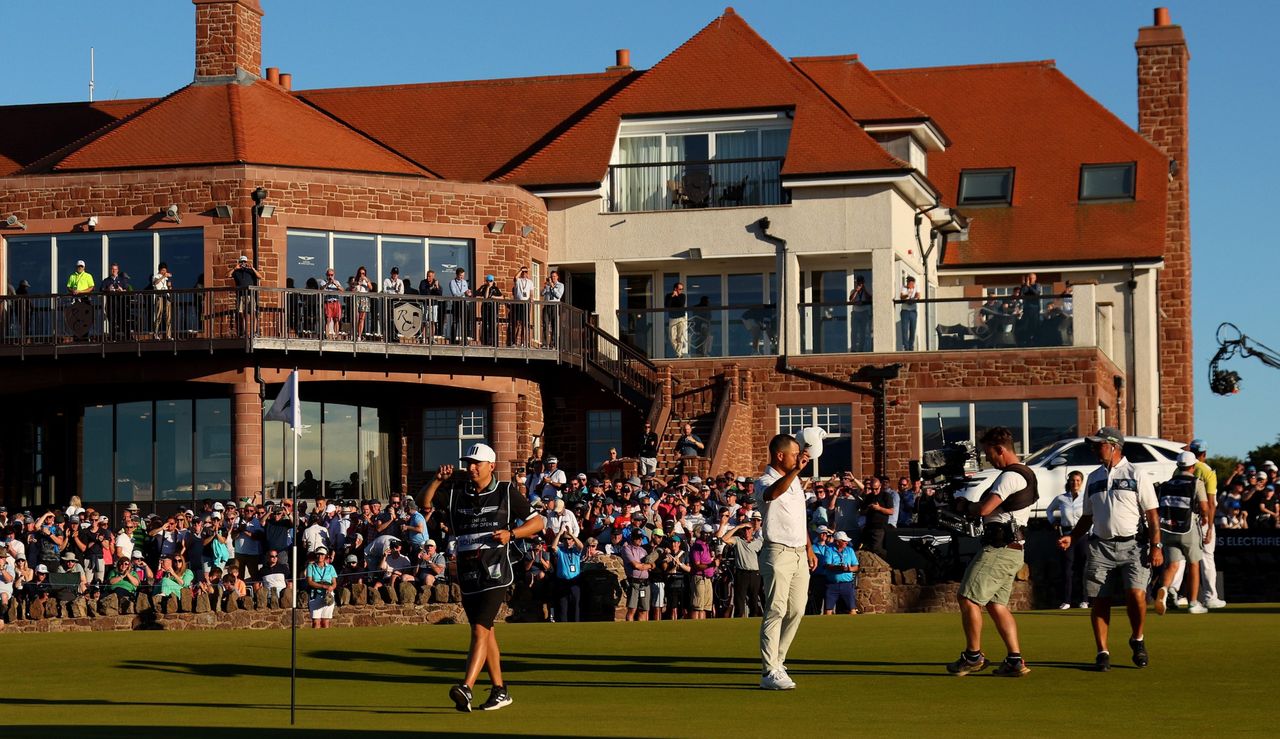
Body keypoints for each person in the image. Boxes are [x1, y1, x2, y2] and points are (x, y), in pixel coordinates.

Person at [418, 442, 543, 713]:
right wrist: (437, 480)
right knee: (486, 632)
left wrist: (512, 534)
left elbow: (538, 522)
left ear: (491, 466)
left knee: (479, 629)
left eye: (477, 463)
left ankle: (467, 687)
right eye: (468, 463)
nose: (471, 467)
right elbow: (423, 502)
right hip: (468, 571)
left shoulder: (507, 492)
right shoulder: (456, 493)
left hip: (496, 572)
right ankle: (500, 690)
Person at [1057, 427, 1162, 672]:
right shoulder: (1092, 477)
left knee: (1136, 596)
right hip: (1100, 546)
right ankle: (1102, 652)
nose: (1094, 449)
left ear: (1114, 445)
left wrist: (1156, 546)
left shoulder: (1137, 473)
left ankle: (1137, 639)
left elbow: (1152, 514)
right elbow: (1087, 516)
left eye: (1098, 445)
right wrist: (1072, 537)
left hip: (1134, 545)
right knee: (1099, 600)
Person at [946, 426, 1036, 677]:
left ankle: (973, 656)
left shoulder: (1011, 476)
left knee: (968, 598)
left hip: (1000, 548)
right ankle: (1015, 660)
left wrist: (965, 505)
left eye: (990, 454)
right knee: (997, 605)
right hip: (1014, 548)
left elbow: (986, 509)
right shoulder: (1025, 473)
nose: (989, 459)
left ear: (1001, 450)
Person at [754, 433, 816, 690]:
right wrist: (795, 474)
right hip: (777, 553)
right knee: (776, 610)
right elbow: (772, 493)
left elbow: (798, 519)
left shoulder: (795, 481)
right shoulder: (764, 480)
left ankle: (778, 662)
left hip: (800, 552)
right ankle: (770, 671)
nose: (798, 458)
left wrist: (809, 549)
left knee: (797, 610)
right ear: (780, 456)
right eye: (794, 454)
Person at [1168, 439, 1225, 609]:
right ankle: (1209, 597)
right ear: (1204, 454)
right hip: (1202, 518)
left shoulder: (1178, 470)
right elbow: (1211, 502)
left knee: (1180, 557)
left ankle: (1173, 590)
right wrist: (1210, 527)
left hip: (1183, 520)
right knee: (1206, 557)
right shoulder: (1208, 471)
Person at [1152, 452, 1211, 616]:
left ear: (1178, 466)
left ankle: (1163, 589)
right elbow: (1205, 507)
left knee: (1172, 565)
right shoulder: (1196, 482)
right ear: (1193, 466)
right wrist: (1205, 518)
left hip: (1168, 530)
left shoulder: (1167, 483)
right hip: (1188, 529)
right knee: (1193, 564)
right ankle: (1193, 603)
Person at [1046, 471, 1089, 609]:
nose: (1075, 483)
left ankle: (1084, 599)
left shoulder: (1086, 497)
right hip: (1067, 534)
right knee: (1067, 568)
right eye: (1072, 480)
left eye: (1077, 480)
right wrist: (1053, 522)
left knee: (1083, 567)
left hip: (1083, 534)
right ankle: (1067, 600)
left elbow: (1091, 514)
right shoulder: (1061, 498)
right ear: (1068, 482)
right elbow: (1049, 510)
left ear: (1081, 482)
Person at [722, 515, 763, 617]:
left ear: (753, 530)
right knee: (739, 601)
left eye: (749, 530)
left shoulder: (759, 542)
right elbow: (724, 538)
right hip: (741, 574)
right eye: (745, 529)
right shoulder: (738, 540)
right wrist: (738, 527)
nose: (746, 532)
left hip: (754, 574)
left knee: (754, 601)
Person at [821, 531, 859, 615]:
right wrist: (839, 568)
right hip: (832, 585)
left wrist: (850, 569)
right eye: (844, 541)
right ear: (838, 542)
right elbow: (827, 565)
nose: (847, 542)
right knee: (828, 611)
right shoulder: (829, 550)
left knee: (852, 610)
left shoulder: (850, 550)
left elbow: (856, 566)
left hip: (847, 585)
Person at [551, 528, 582, 622]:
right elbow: (553, 547)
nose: (568, 542)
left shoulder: (576, 551)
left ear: (573, 540)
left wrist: (572, 535)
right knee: (563, 605)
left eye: (569, 539)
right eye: (566, 539)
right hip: (562, 581)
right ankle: (563, 625)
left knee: (576, 604)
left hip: (574, 581)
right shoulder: (561, 550)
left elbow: (581, 546)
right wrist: (560, 533)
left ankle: (576, 624)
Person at [228, 256, 262, 337]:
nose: (243, 263)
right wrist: (234, 268)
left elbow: (259, 276)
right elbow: (227, 275)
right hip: (241, 296)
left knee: (253, 313)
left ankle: (254, 332)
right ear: (239, 262)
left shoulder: (250, 271)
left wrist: (253, 268)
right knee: (241, 314)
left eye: (244, 262)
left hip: (250, 295)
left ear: (246, 262)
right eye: (241, 262)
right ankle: (243, 332)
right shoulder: (236, 272)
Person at [306, 547, 337, 628]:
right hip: (315, 594)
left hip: (328, 595)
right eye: (318, 554)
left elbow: (334, 583)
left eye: (322, 554)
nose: (320, 556)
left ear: (325, 556)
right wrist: (323, 586)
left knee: (326, 622)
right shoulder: (311, 566)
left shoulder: (330, 567)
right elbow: (310, 581)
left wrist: (331, 588)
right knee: (316, 622)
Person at [476, 274, 503, 346]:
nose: (489, 282)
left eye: (491, 281)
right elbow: (485, 297)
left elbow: (502, 297)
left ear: (493, 281)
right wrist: (488, 287)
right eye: (488, 281)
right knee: (485, 324)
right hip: (485, 309)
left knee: (493, 325)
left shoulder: (495, 288)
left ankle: (493, 341)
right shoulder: (484, 287)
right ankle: (485, 341)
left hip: (493, 309)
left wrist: (494, 297)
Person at [509, 266, 533, 347]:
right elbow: (515, 277)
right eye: (523, 272)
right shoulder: (518, 280)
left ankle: (523, 342)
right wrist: (520, 270)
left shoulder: (530, 282)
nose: (524, 273)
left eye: (525, 272)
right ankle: (514, 341)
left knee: (524, 324)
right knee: (516, 323)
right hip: (518, 303)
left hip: (526, 304)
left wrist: (532, 298)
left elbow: (531, 292)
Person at [151, 262, 174, 339]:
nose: (164, 271)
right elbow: (155, 283)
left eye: (165, 270)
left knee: (168, 317)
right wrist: (163, 276)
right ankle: (156, 334)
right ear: (160, 270)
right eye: (163, 270)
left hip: (166, 297)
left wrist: (170, 287)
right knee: (158, 315)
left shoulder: (167, 278)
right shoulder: (156, 276)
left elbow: (169, 287)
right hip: (159, 296)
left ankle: (168, 335)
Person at [849, 274, 871, 352]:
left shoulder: (866, 290)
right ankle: (853, 348)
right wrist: (856, 290)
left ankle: (861, 349)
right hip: (855, 312)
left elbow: (869, 299)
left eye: (861, 283)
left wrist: (864, 290)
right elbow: (851, 299)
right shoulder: (853, 290)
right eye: (858, 283)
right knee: (854, 331)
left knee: (863, 332)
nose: (859, 285)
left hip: (864, 312)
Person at [540, 270, 563, 346]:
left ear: (557, 277)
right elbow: (542, 294)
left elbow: (558, 296)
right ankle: (545, 343)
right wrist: (545, 287)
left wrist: (553, 287)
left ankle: (553, 343)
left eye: (554, 276)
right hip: (546, 306)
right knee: (545, 324)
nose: (553, 278)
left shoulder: (560, 285)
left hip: (554, 306)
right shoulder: (547, 285)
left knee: (554, 325)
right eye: (552, 276)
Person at [320, 269, 345, 339]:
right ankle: (327, 335)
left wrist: (335, 284)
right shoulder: (323, 282)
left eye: (331, 275)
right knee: (328, 319)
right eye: (328, 275)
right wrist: (328, 283)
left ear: (334, 275)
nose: (330, 276)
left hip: (336, 302)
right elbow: (321, 289)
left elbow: (342, 290)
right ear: (326, 275)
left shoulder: (337, 282)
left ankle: (336, 335)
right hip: (328, 302)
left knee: (336, 319)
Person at [665, 281, 688, 358]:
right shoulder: (668, 296)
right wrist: (672, 296)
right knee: (671, 338)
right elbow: (667, 305)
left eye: (682, 289)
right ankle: (679, 352)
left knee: (680, 337)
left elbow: (681, 304)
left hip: (681, 317)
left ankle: (679, 354)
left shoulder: (682, 296)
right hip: (672, 318)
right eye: (680, 289)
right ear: (675, 289)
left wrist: (677, 296)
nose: (681, 290)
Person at [420, 270, 442, 342]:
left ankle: (432, 338)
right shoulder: (423, 282)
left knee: (433, 321)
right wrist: (431, 288)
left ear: (433, 276)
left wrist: (437, 287)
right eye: (428, 276)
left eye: (430, 276)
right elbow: (422, 292)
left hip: (434, 304)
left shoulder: (436, 282)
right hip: (425, 304)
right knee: (424, 321)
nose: (428, 277)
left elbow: (440, 294)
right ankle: (423, 338)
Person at [382, 266, 404, 339]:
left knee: (397, 319)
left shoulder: (400, 281)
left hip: (397, 301)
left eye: (396, 274)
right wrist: (394, 289)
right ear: (391, 273)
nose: (395, 275)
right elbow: (385, 291)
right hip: (389, 301)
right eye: (394, 273)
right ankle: (389, 334)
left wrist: (396, 291)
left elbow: (401, 293)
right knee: (389, 318)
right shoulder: (386, 280)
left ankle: (395, 334)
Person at [899, 275, 919, 350]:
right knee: (904, 329)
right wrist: (908, 294)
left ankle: (911, 346)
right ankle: (906, 347)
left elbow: (918, 295)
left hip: (913, 311)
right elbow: (901, 296)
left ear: (913, 283)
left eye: (909, 282)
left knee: (912, 329)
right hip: (905, 311)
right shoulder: (904, 287)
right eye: (907, 282)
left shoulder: (916, 287)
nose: (908, 284)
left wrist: (913, 297)